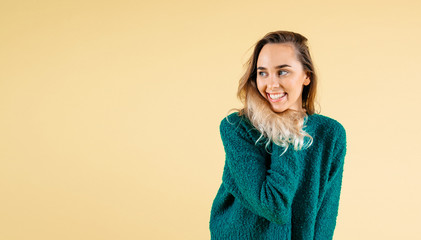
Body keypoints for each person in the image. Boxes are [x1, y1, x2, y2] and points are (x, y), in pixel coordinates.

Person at [209, 31, 347, 240]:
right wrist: (286, 130)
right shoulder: (237, 127)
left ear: (306, 76)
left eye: (282, 72)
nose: (271, 84)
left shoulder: (330, 133)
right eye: (262, 73)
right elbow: (273, 205)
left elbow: (325, 214)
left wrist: (293, 123)